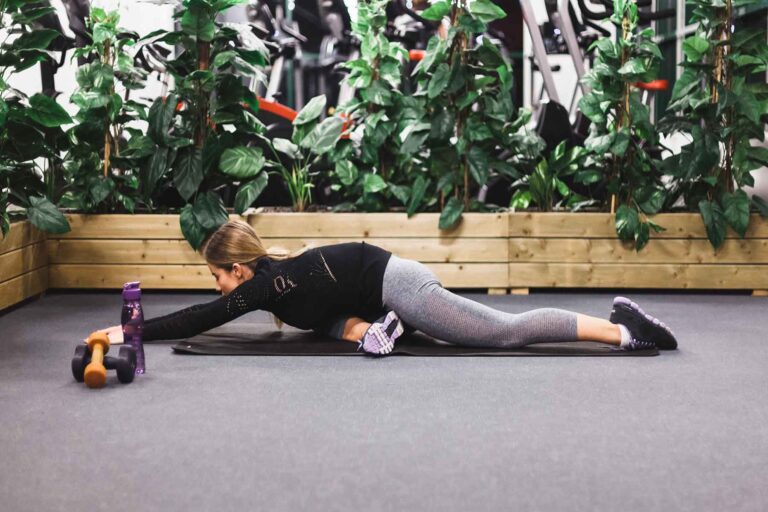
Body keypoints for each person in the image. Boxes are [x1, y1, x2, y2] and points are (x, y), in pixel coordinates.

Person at [98, 220, 678, 356]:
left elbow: (199, 318)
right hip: (374, 296)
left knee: (500, 333)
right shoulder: (279, 283)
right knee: (327, 323)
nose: (220, 287)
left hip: (399, 284)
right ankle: (381, 332)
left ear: (237, 268)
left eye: (219, 275)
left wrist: (132, 330)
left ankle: (623, 329)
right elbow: (320, 308)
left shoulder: (266, 282)